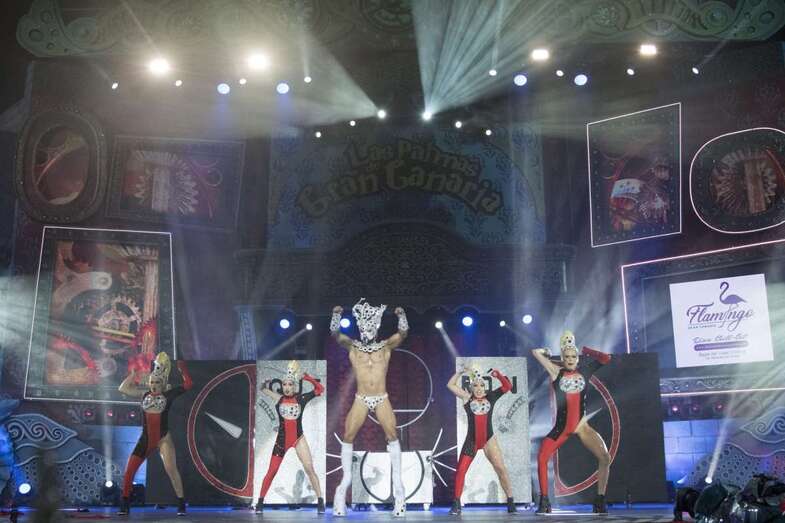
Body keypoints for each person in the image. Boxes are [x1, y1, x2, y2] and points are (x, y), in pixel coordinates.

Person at [330, 299, 409, 517]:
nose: (367, 328)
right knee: (348, 436)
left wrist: (401, 315)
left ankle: (399, 494)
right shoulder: (353, 346)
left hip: (381, 397)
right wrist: (336, 315)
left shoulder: (385, 346)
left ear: (376, 326)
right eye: (364, 325)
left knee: (392, 436)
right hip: (361, 398)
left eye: (371, 325)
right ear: (359, 326)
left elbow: (402, 334)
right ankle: (341, 493)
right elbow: (336, 334)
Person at [532, 330, 611, 515]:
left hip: (582, 426)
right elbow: (535, 353)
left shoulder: (585, 371)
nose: (570, 359)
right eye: (566, 357)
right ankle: (544, 501)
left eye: (573, 356)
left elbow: (606, 358)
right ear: (562, 358)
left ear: (577, 358)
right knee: (542, 457)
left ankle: (600, 500)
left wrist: (587, 350)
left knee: (605, 458)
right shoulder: (556, 372)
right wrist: (546, 351)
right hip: (562, 428)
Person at [117, 353, 192, 516]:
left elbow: (188, 385)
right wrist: (133, 375)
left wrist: (182, 368)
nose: (154, 385)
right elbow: (122, 388)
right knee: (129, 471)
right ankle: (125, 503)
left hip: (163, 439)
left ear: (163, 383)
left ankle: (181, 503)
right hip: (145, 439)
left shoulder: (168, 395)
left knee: (171, 469)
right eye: (151, 382)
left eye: (157, 382)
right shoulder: (144, 395)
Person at [255, 360, 325, 514]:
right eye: (284, 384)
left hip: (299, 439)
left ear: (294, 387)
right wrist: (265, 383)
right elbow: (262, 389)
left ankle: (320, 501)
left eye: (290, 384)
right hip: (282, 441)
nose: (287, 387)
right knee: (271, 471)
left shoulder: (301, 399)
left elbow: (320, 389)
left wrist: (307, 378)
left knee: (309, 469)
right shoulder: (278, 398)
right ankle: (260, 502)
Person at [446, 365, 516, 515]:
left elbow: (508, 386)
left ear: (485, 388)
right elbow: (450, 385)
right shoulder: (467, 398)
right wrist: (460, 372)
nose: (479, 388)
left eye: (481, 385)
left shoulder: (491, 397)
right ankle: (456, 503)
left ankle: (511, 501)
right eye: (476, 385)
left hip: (488, 440)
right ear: (471, 388)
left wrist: (497, 374)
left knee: (501, 469)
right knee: (461, 471)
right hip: (472, 441)